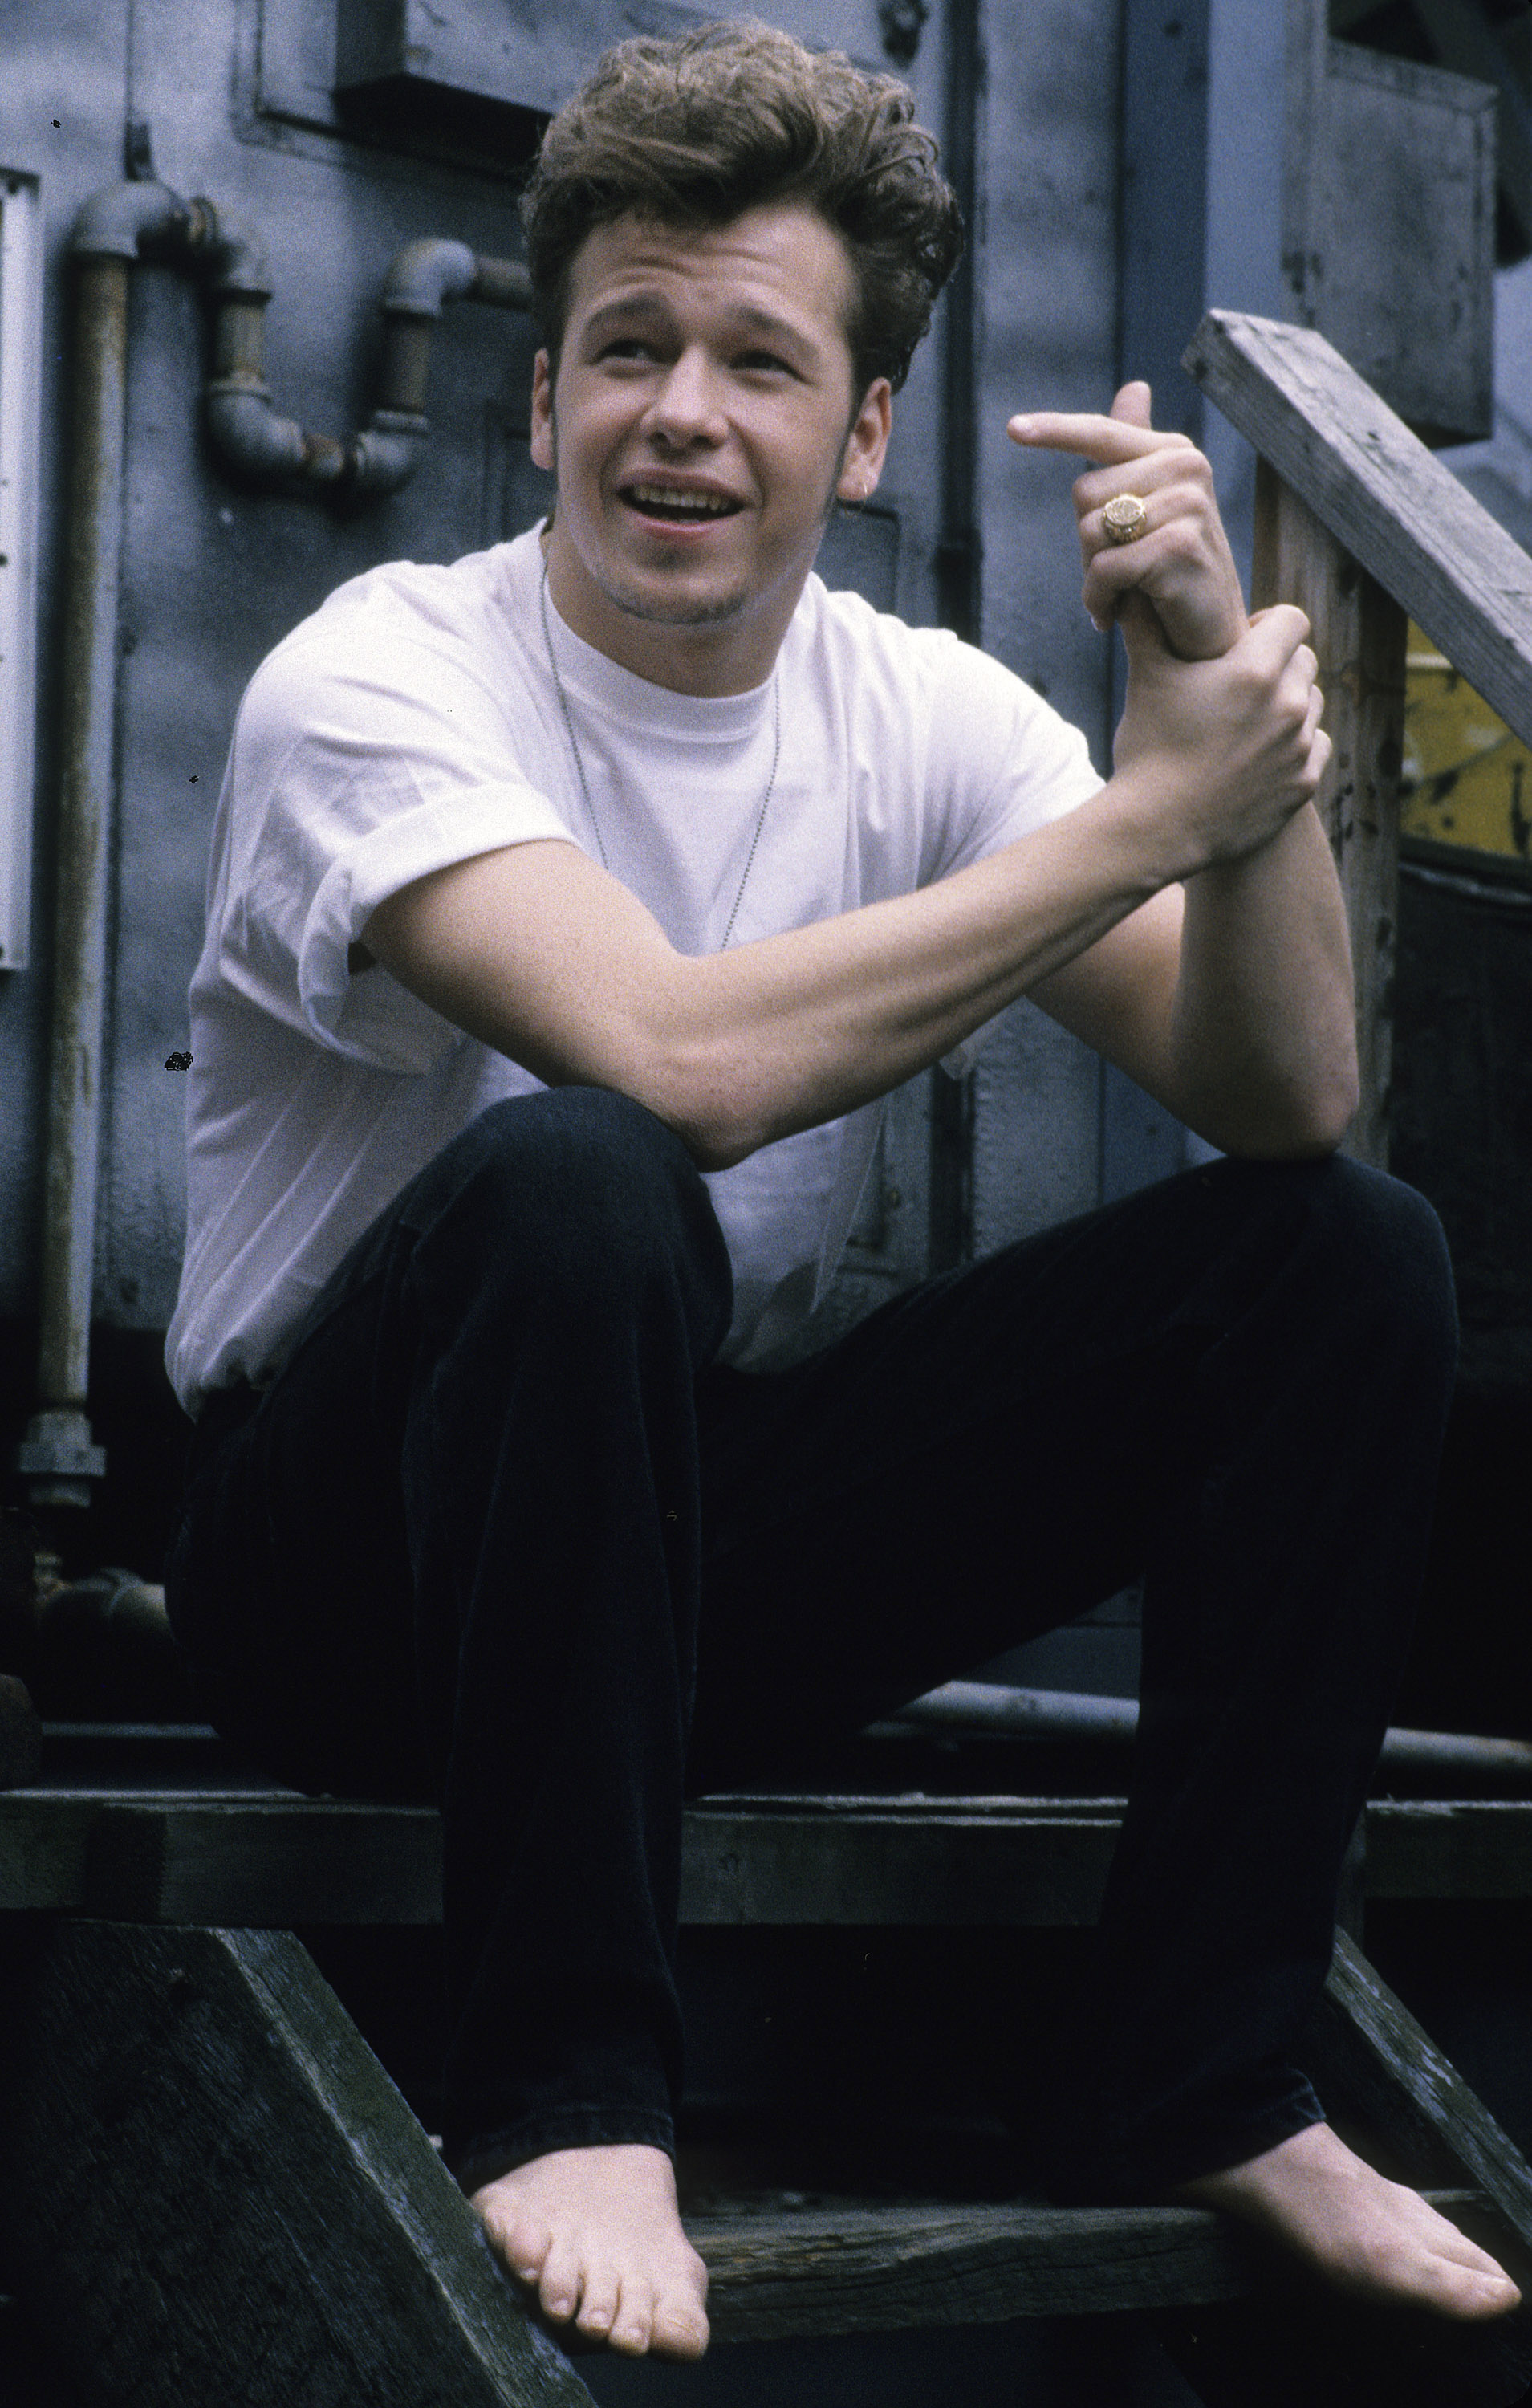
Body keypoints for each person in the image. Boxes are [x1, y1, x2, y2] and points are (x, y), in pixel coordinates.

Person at [163, 19, 1520, 2362]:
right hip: (342, 1583)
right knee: (582, 1177)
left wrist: (1224, 723)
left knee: (1343, 1265)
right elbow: (680, 1065)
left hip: (676, 1573)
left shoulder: (917, 712)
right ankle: (571, 2087)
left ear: (865, 430)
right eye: (628, 349)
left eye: (761, 362)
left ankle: (1209, 2070)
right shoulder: (373, 676)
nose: (683, 411)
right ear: (539, 400)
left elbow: (1287, 1096)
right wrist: (1146, 817)